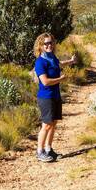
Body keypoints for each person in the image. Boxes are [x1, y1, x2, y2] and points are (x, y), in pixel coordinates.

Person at [33, 33, 76, 162]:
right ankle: (39, 152)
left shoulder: (52, 57)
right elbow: (45, 82)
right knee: (46, 125)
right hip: (46, 98)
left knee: (53, 123)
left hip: (55, 95)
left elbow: (59, 64)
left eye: (50, 42)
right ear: (40, 46)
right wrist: (60, 79)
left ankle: (49, 149)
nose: (49, 45)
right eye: (45, 43)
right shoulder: (40, 62)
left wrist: (71, 61)